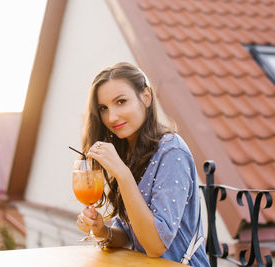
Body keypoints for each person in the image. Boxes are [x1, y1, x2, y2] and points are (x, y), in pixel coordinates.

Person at [76, 62, 210, 266]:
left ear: (146, 97)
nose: (111, 117)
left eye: (121, 101)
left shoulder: (172, 151)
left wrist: (122, 173)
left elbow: (155, 246)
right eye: (103, 108)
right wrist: (103, 231)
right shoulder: (129, 150)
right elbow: (129, 232)